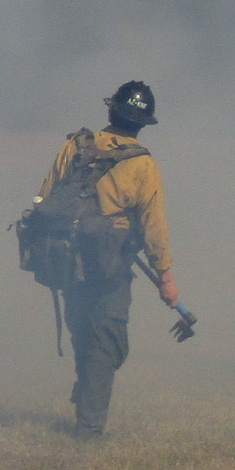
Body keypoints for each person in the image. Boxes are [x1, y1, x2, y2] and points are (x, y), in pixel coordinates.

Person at [37, 80, 179, 438]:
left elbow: (45, 194)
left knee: (84, 336)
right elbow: (153, 225)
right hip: (109, 267)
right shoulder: (143, 164)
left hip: (67, 261)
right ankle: (89, 430)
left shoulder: (77, 144)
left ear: (110, 110)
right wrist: (165, 277)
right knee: (109, 343)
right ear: (144, 123)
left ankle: (87, 401)